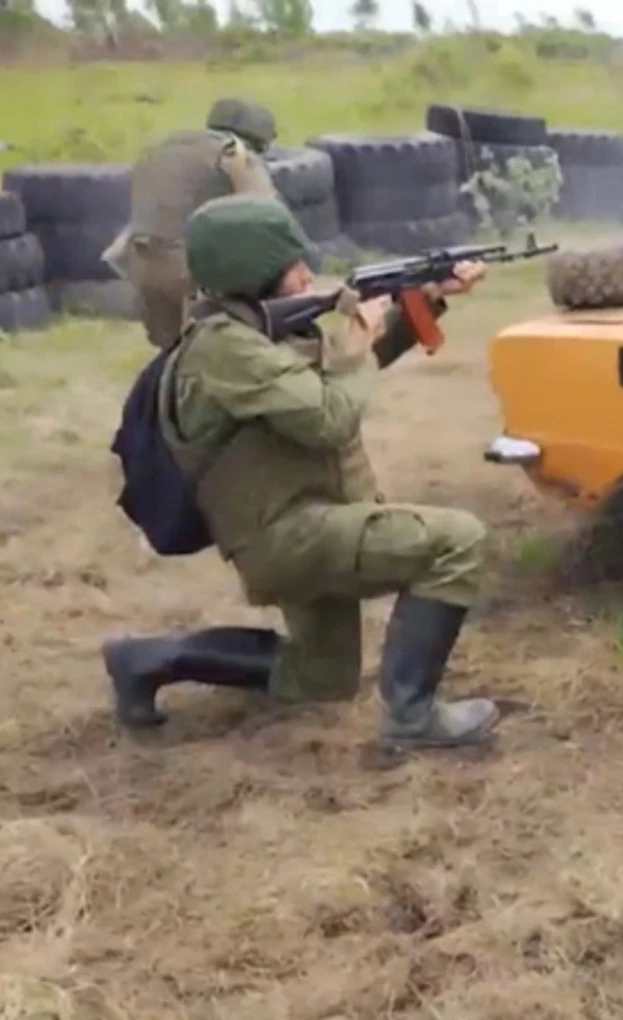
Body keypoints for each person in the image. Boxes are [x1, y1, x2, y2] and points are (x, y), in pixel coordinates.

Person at [100, 192, 504, 752]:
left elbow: (332, 376)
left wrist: (426, 300)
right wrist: (359, 340)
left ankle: (145, 659)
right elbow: (330, 416)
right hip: (288, 536)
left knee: (321, 677)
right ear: (255, 272)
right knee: (457, 542)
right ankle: (413, 719)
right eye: (293, 267)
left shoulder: (254, 330)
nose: (308, 275)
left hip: (311, 517)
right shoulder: (225, 350)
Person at [105, 98, 282, 350]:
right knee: (224, 349)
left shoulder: (160, 148)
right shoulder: (235, 154)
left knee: (170, 353)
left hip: (140, 263)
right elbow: (268, 217)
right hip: (188, 270)